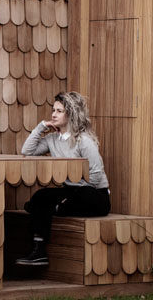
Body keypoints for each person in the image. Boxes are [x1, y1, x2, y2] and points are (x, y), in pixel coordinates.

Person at [16, 91, 110, 267]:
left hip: (95, 194)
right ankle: (39, 251)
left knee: (62, 201)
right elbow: (27, 152)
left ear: (71, 114)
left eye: (59, 111)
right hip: (72, 192)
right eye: (53, 110)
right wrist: (41, 127)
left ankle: (52, 208)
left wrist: (76, 188)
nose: (53, 114)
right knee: (41, 196)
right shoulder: (53, 139)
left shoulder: (84, 141)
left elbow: (96, 175)